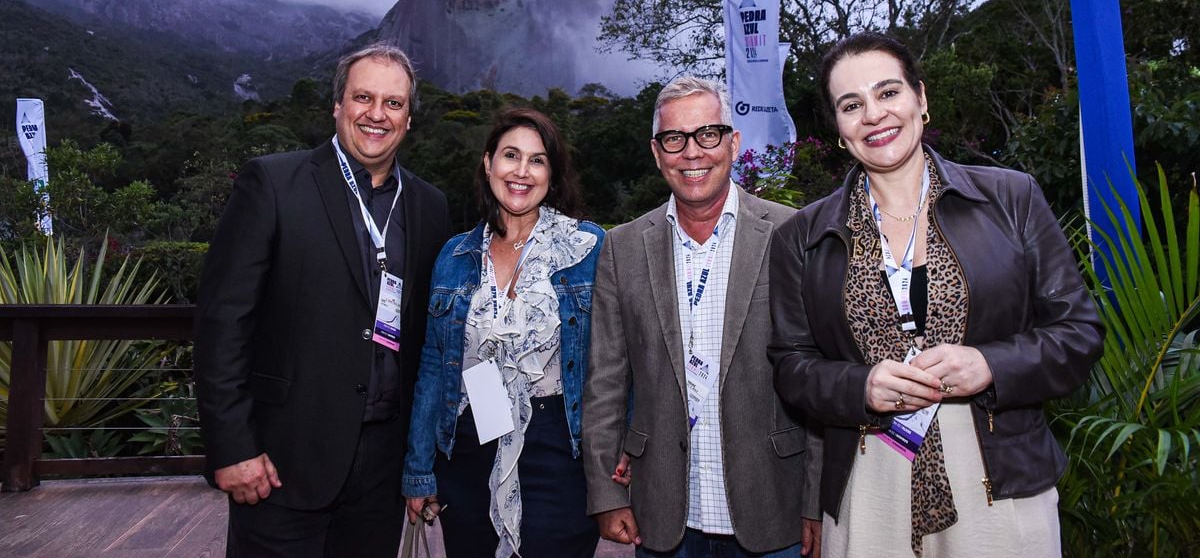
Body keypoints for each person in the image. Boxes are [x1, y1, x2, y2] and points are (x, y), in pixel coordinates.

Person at [768, 32, 1105, 558]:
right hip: (869, 473)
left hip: (997, 472)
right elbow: (791, 365)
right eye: (851, 105)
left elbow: (1079, 333)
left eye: (888, 93)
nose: (874, 115)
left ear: (920, 99)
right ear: (838, 127)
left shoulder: (1011, 198)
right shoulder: (801, 237)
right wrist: (862, 385)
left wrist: (991, 364)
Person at [194, 43, 451, 558]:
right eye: (363, 97)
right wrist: (233, 448)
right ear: (337, 105)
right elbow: (223, 324)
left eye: (394, 103)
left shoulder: (429, 205)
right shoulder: (272, 182)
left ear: (409, 118)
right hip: (280, 462)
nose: (377, 114)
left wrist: (420, 460)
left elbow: (431, 341)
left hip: (382, 469)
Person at [583, 77, 823, 558]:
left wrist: (815, 500)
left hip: (772, 506)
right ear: (657, 152)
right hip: (663, 511)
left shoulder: (790, 232)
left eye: (708, 134)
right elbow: (605, 381)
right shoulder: (623, 247)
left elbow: (816, 375)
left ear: (733, 143)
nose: (692, 152)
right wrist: (606, 494)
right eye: (675, 139)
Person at [402, 108, 605, 558]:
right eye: (511, 155)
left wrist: (618, 459)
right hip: (470, 445)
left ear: (552, 174)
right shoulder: (453, 255)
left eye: (537, 160)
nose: (521, 171)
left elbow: (616, 362)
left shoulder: (588, 248)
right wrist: (419, 470)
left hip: (558, 446)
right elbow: (434, 368)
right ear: (488, 162)